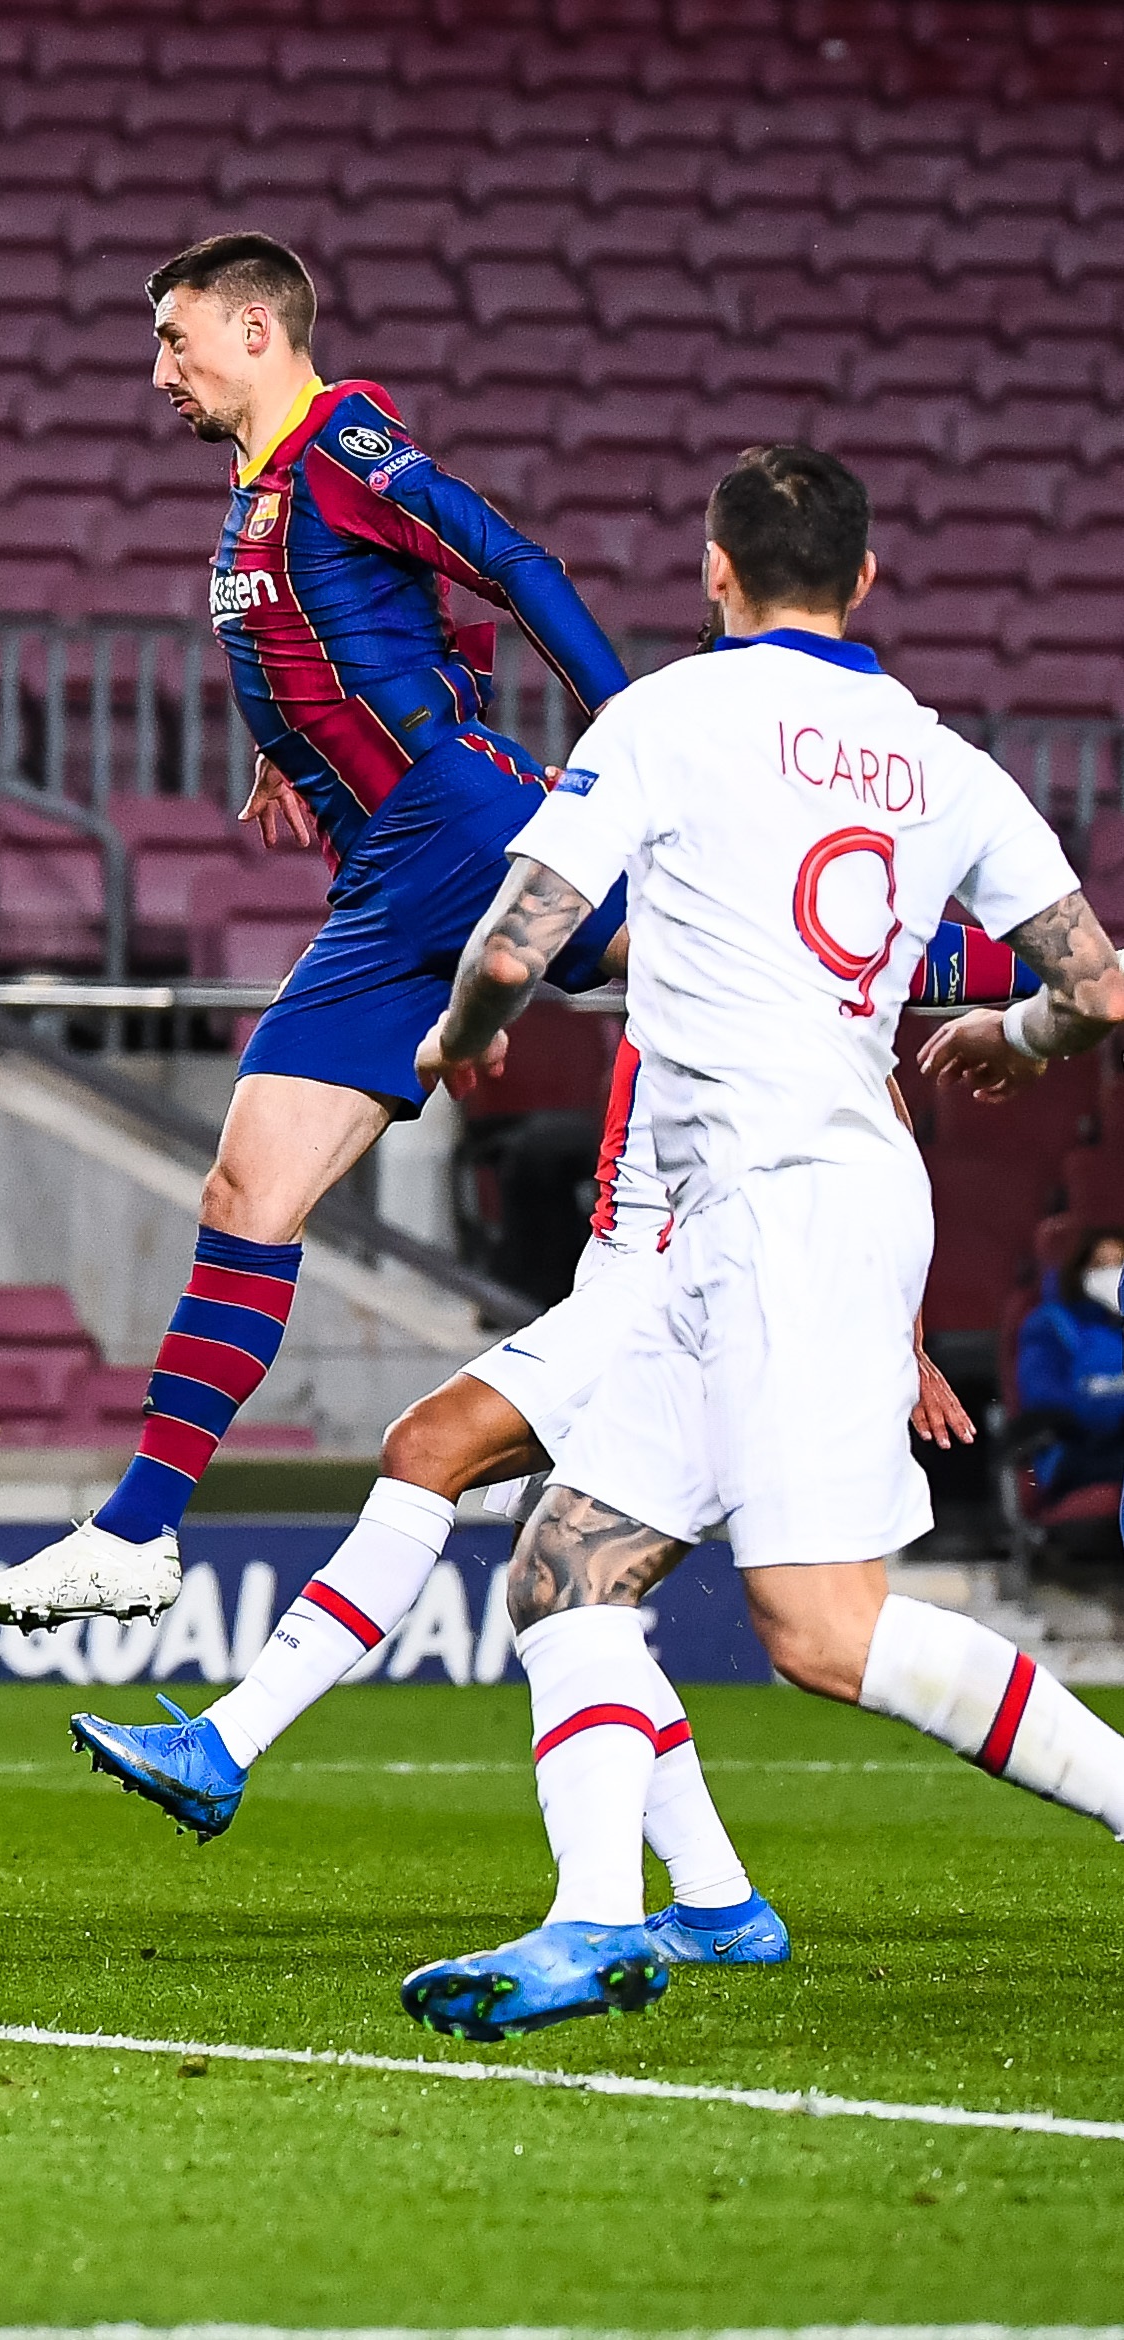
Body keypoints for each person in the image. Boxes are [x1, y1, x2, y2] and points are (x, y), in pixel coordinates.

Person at [393, 443, 1124, 2041]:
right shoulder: (943, 763)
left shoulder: (663, 717)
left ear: (711, 570)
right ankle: (592, 1921)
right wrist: (1016, 1032)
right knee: (566, 1571)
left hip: (792, 1202)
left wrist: (456, 1042)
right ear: (863, 582)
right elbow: (1098, 982)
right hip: (739, 1218)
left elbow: (516, 944)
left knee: (817, 1634)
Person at [65, 928, 1029, 1968]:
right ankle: (718, 1903)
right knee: (573, 1595)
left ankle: (229, 1743)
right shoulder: (722, 902)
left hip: (667, 1288)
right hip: (632, 1280)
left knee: (426, 1448)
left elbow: (900, 1061)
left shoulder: (759, 920)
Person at [0, 232, 636, 1629]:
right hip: (402, 865)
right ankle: (136, 1534)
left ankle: (140, 1528)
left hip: (448, 838)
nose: (159, 370)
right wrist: (299, 747)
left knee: (765, 948)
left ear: (256, 330)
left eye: (175, 339)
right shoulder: (262, 488)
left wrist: (635, 740)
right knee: (248, 1193)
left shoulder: (344, 443)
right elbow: (403, 632)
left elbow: (508, 559)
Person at [1011, 1228, 1124, 1513]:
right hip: (1076, 1447)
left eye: (1120, 1263)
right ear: (1080, 1270)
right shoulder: (1051, 1326)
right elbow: (1044, 1399)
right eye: (1101, 1264)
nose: (1113, 1272)